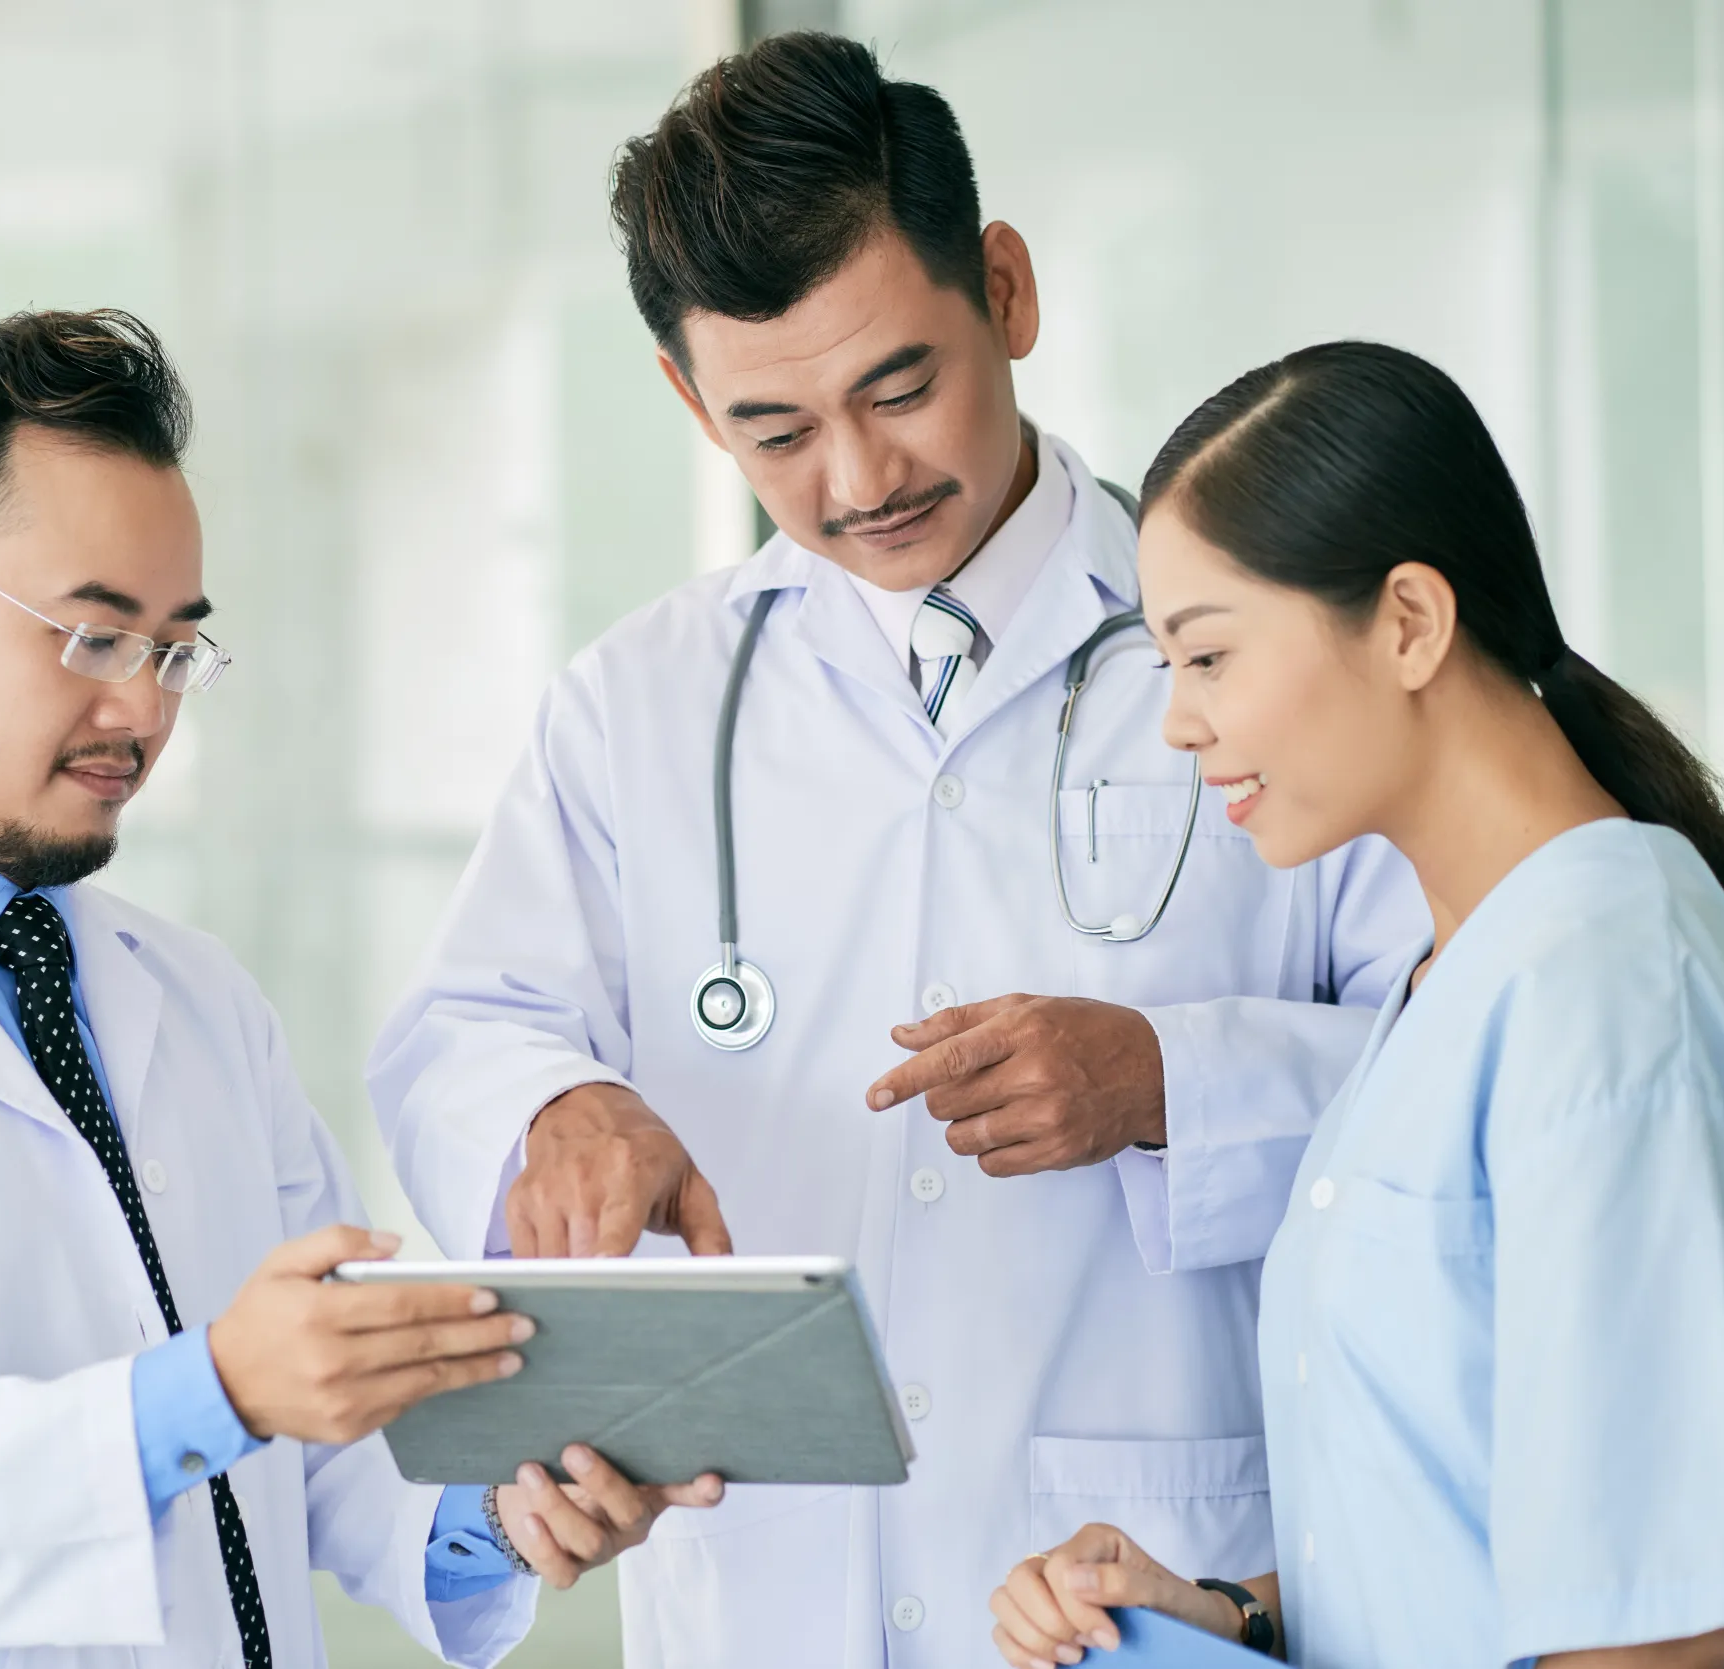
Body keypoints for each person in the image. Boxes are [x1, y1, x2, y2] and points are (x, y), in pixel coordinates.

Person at [367, 32, 1429, 1668]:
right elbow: (458, 1029)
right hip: (764, 1594)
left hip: (1150, 1589)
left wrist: (1167, 1082)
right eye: (774, 430)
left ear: (1004, 290)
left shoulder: (1251, 642)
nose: (857, 480)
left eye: (900, 387)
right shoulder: (636, 705)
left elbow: (1452, 1077)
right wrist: (553, 1103)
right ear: (686, 402)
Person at [0, 309, 718, 1669]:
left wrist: (505, 1514)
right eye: (94, 639)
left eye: (173, 650)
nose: (146, 714)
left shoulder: (196, 1001)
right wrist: (204, 1391)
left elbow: (317, 1461)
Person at [986, 340, 1724, 1669]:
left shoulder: (1602, 982)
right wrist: (1223, 1608)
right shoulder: (1457, 983)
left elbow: (1660, 1634)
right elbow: (1441, 1536)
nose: (1178, 727)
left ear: (1411, 623)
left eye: (1206, 659)